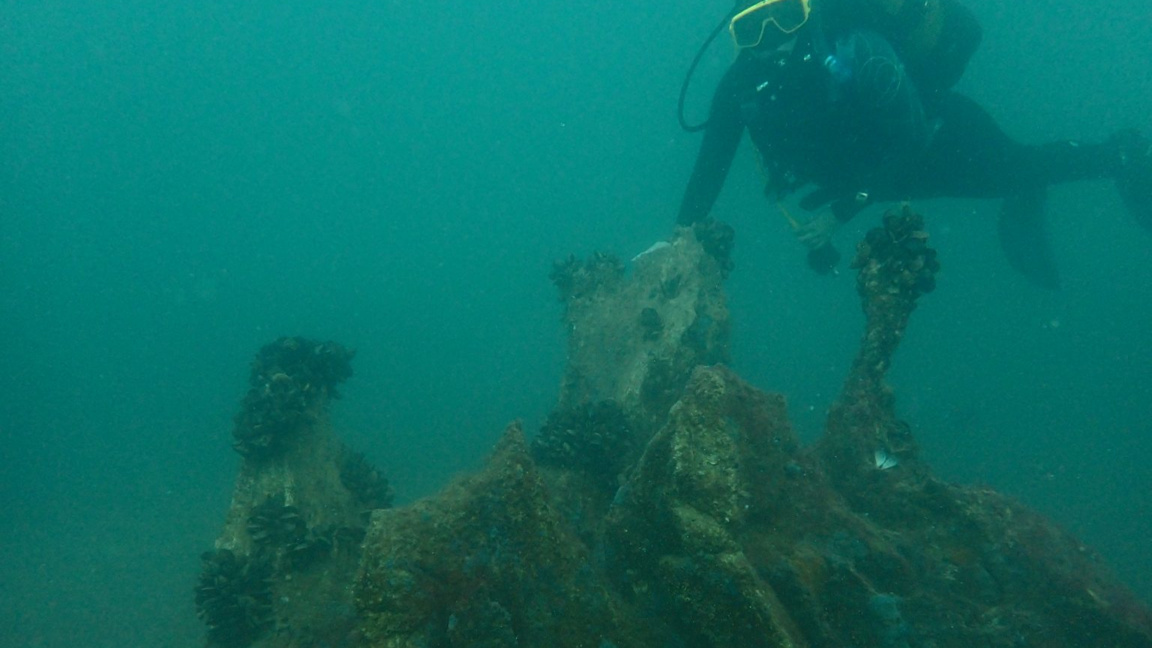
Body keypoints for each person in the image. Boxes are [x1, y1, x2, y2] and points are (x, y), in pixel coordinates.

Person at [677, 0, 1152, 288]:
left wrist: (843, 210)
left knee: (1016, 169)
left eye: (784, 17)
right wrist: (679, 242)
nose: (772, 39)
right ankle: (1028, 191)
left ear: (807, 13)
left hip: (940, 141)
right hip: (871, 177)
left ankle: (1120, 152)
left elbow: (911, 137)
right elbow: (708, 171)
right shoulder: (739, 88)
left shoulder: (858, 50)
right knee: (1018, 173)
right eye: (752, 29)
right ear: (736, 38)